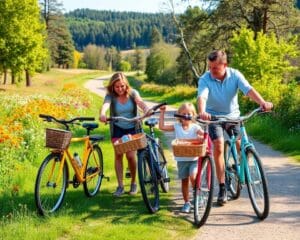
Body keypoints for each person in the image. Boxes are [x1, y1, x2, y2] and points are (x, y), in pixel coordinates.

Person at [197, 50, 273, 206]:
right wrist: (202, 112)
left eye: (215, 68)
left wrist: (262, 102)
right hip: (214, 117)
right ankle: (223, 187)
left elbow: (248, 89)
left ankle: (239, 167)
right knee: (218, 146)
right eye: (210, 67)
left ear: (225, 65)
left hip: (233, 116)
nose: (211, 71)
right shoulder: (205, 79)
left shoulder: (235, 75)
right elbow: (202, 96)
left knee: (239, 145)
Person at [99, 72, 149, 197]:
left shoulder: (133, 93)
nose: (120, 89)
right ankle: (120, 186)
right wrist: (103, 114)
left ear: (126, 84)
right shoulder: (110, 96)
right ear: (112, 86)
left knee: (131, 156)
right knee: (118, 155)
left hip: (132, 128)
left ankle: (133, 182)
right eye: (117, 87)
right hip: (118, 129)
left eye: (122, 86)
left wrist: (146, 109)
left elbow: (140, 102)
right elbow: (105, 105)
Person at [159, 102, 204, 213]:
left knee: (194, 177)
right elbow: (162, 127)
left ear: (193, 115)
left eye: (189, 113)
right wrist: (162, 112)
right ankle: (186, 202)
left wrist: (201, 136)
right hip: (181, 159)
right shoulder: (177, 126)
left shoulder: (195, 127)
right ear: (179, 115)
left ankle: (198, 196)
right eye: (183, 113)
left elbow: (203, 134)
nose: (186, 116)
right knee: (184, 181)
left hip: (193, 159)